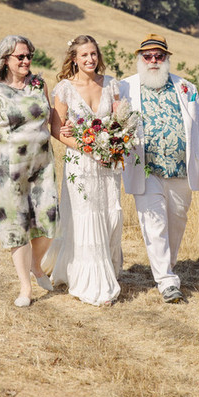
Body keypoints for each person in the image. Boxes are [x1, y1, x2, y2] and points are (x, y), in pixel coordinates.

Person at [120, 33, 199, 303]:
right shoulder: (125, 88)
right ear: (139, 59)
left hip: (181, 170)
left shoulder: (186, 87)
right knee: (154, 225)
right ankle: (167, 282)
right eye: (148, 56)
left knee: (176, 223)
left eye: (159, 56)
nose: (153, 60)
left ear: (167, 59)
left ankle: (167, 268)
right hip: (146, 168)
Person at [0, 35, 58, 308]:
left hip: (43, 166)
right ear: (5, 60)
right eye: (19, 57)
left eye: (28, 56)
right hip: (8, 169)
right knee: (17, 227)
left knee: (49, 222)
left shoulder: (39, 84)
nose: (26, 61)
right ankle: (25, 287)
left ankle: (36, 265)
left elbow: (52, 122)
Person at [42, 35, 123, 306]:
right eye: (84, 55)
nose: (90, 59)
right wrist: (87, 148)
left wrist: (113, 145)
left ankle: (108, 268)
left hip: (107, 165)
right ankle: (91, 280)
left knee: (109, 214)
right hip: (80, 163)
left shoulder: (111, 85)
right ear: (74, 59)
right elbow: (56, 128)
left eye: (94, 54)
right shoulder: (64, 89)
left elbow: (120, 122)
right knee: (86, 215)